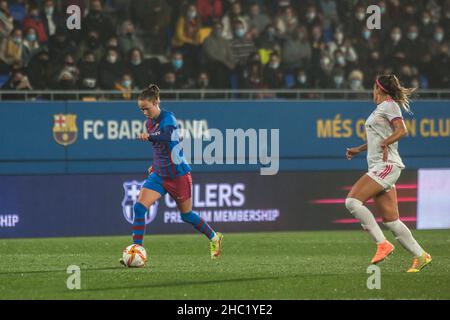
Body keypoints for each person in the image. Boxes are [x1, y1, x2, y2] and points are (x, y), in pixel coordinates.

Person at [119, 84, 223, 266]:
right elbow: (162, 147)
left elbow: (166, 136)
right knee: (139, 208)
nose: (144, 112)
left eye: (146, 108)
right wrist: (154, 165)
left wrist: (150, 137)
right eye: (141, 109)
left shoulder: (169, 118)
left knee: (186, 215)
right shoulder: (149, 123)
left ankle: (215, 237)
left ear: (156, 102)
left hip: (178, 175)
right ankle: (136, 251)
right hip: (160, 175)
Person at [345, 74, 432, 272]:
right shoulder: (381, 109)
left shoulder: (390, 105)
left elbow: (401, 131)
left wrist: (386, 142)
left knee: (352, 202)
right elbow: (378, 138)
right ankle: (421, 256)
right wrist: (359, 149)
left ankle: (382, 244)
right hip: (381, 167)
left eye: (374, 88)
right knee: (392, 221)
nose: (372, 92)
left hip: (386, 166)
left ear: (379, 89)